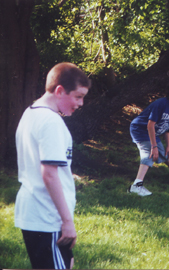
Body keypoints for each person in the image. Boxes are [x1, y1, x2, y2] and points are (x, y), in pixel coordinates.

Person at [14, 62, 91, 269]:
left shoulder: (31, 113)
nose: (81, 103)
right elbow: (49, 174)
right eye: (78, 96)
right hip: (46, 216)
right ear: (59, 91)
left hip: (39, 213)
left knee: (67, 263)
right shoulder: (51, 122)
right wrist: (67, 222)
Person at [127, 81, 169, 196]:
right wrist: (154, 146)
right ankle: (136, 185)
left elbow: (167, 128)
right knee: (149, 153)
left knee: (164, 153)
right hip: (140, 129)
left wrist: (168, 147)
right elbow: (150, 124)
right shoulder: (160, 104)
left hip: (152, 132)